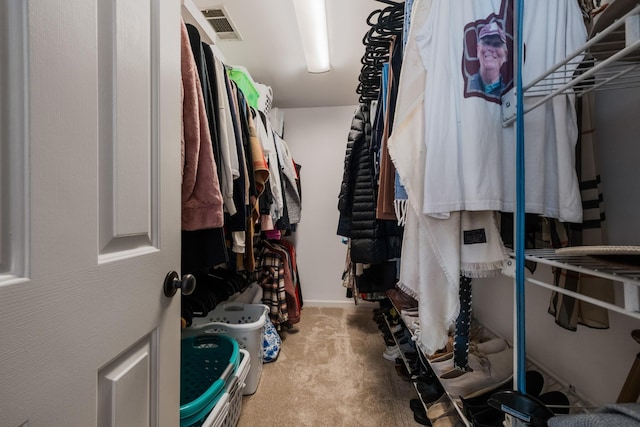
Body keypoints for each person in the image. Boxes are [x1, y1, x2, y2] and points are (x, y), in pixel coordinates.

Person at [468, 21, 508, 99]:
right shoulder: (466, 85)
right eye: (486, 43)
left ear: (505, 54)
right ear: (478, 49)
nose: (490, 48)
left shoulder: (507, 91)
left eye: (496, 44)